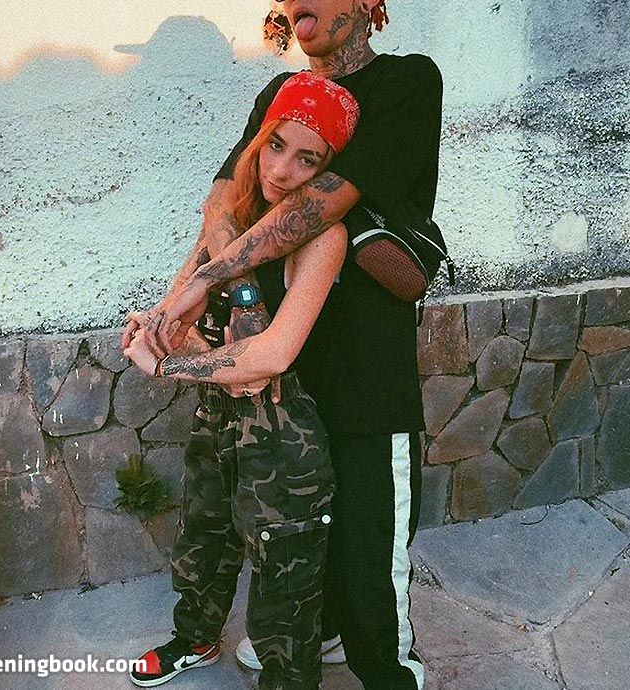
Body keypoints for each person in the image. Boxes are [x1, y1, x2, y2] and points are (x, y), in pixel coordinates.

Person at [125, 2, 443, 688]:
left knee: (367, 558)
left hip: (361, 369)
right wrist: (194, 293)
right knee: (287, 535)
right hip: (284, 369)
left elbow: (319, 205)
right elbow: (228, 197)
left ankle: (388, 672)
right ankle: (314, 633)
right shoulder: (281, 91)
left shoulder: (406, 82)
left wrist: (206, 284)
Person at [124, 73, 361, 690]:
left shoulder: (324, 238)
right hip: (217, 416)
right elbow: (178, 310)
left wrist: (172, 365)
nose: (282, 170)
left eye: (308, 159)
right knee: (203, 538)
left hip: (284, 435)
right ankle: (195, 638)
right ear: (258, 142)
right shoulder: (227, 225)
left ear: (327, 173)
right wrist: (161, 332)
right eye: (276, 145)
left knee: (285, 585)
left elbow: (275, 355)